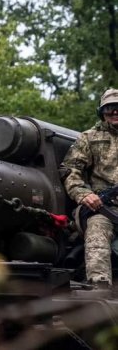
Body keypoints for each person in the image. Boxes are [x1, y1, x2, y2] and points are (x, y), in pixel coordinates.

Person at [61, 88, 118, 292]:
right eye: (109, 108)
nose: (114, 112)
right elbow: (70, 170)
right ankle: (99, 288)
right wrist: (84, 195)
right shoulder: (89, 138)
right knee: (97, 230)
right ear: (101, 112)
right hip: (103, 207)